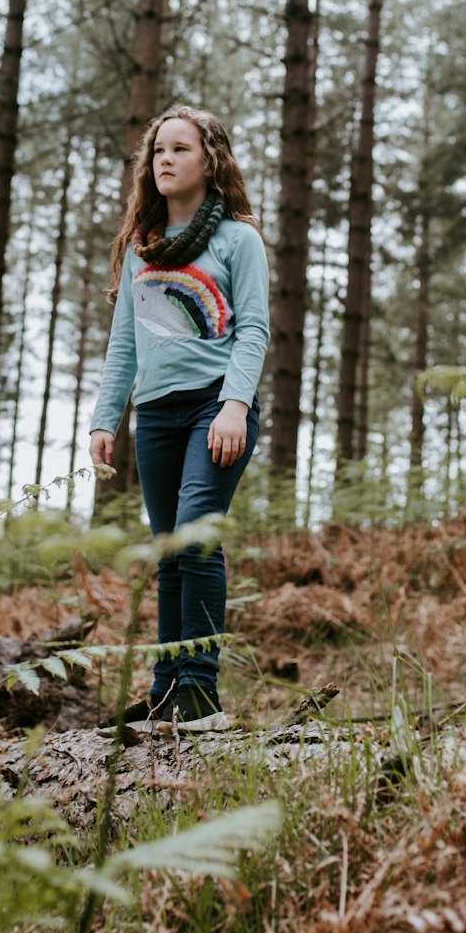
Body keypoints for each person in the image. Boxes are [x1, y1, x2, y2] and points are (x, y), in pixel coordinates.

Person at [90, 104, 270, 732]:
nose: (165, 159)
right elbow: (124, 345)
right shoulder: (143, 249)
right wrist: (104, 420)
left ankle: (200, 694)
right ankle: (167, 690)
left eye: (180, 149)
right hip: (158, 418)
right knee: (169, 551)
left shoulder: (238, 240)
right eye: (158, 150)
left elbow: (253, 330)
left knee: (195, 537)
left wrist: (235, 405)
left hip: (216, 410)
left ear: (210, 160)